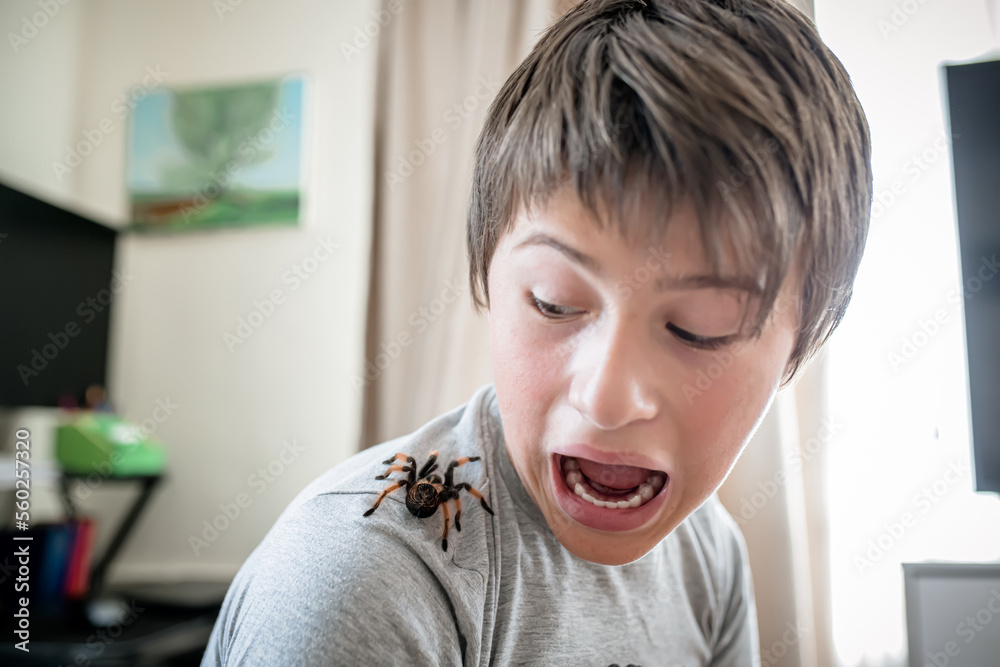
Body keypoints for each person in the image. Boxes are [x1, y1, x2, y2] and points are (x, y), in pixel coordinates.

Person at [201, 0, 871, 663]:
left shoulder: (710, 553)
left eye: (698, 329)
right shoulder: (363, 581)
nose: (606, 397)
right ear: (487, 280)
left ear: (802, 342)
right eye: (554, 302)